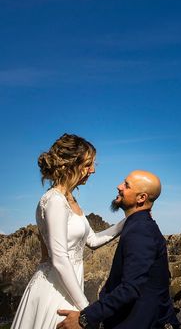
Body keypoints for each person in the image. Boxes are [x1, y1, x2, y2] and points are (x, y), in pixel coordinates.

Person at [11, 134, 126, 329]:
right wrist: (86, 311)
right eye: (88, 164)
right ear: (71, 164)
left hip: (69, 286)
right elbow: (59, 258)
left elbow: (93, 240)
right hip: (54, 290)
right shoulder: (54, 200)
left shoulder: (69, 199)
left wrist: (127, 221)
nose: (93, 170)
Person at [57, 170, 180, 329]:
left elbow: (130, 288)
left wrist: (84, 318)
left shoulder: (141, 230)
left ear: (141, 198)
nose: (119, 186)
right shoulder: (137, 224)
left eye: (126, 185)